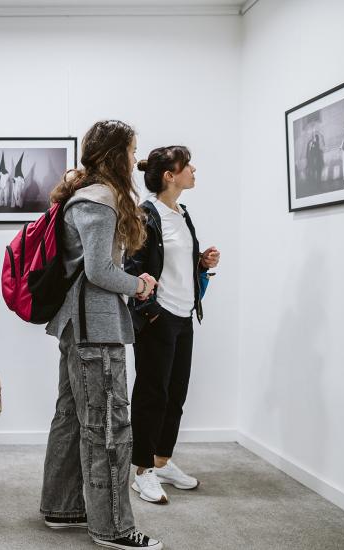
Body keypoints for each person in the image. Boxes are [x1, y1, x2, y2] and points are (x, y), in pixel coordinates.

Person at [40, 121, 163, 550]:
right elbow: (99, 271)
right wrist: (140, 284)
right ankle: (113, 527)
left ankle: (62, 508)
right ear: (115, 154)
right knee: (110, 427)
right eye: (132, 150)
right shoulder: (101, 199)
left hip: (79, 326)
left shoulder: (83, 194)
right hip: (95, 330)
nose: (135, 158)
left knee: (72, 418)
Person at [125, 146, 220, 505]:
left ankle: (162, 460)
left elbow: (173, 261)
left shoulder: (181, 213)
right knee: (152, 394)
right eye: (187, 166)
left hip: (183, 316)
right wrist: (150, 311)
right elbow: (133, 267)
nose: (194, 170)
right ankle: (142, 471)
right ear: (170, 175)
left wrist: (200, 261)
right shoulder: (146, 215)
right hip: (158, 318)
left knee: (176, 394)